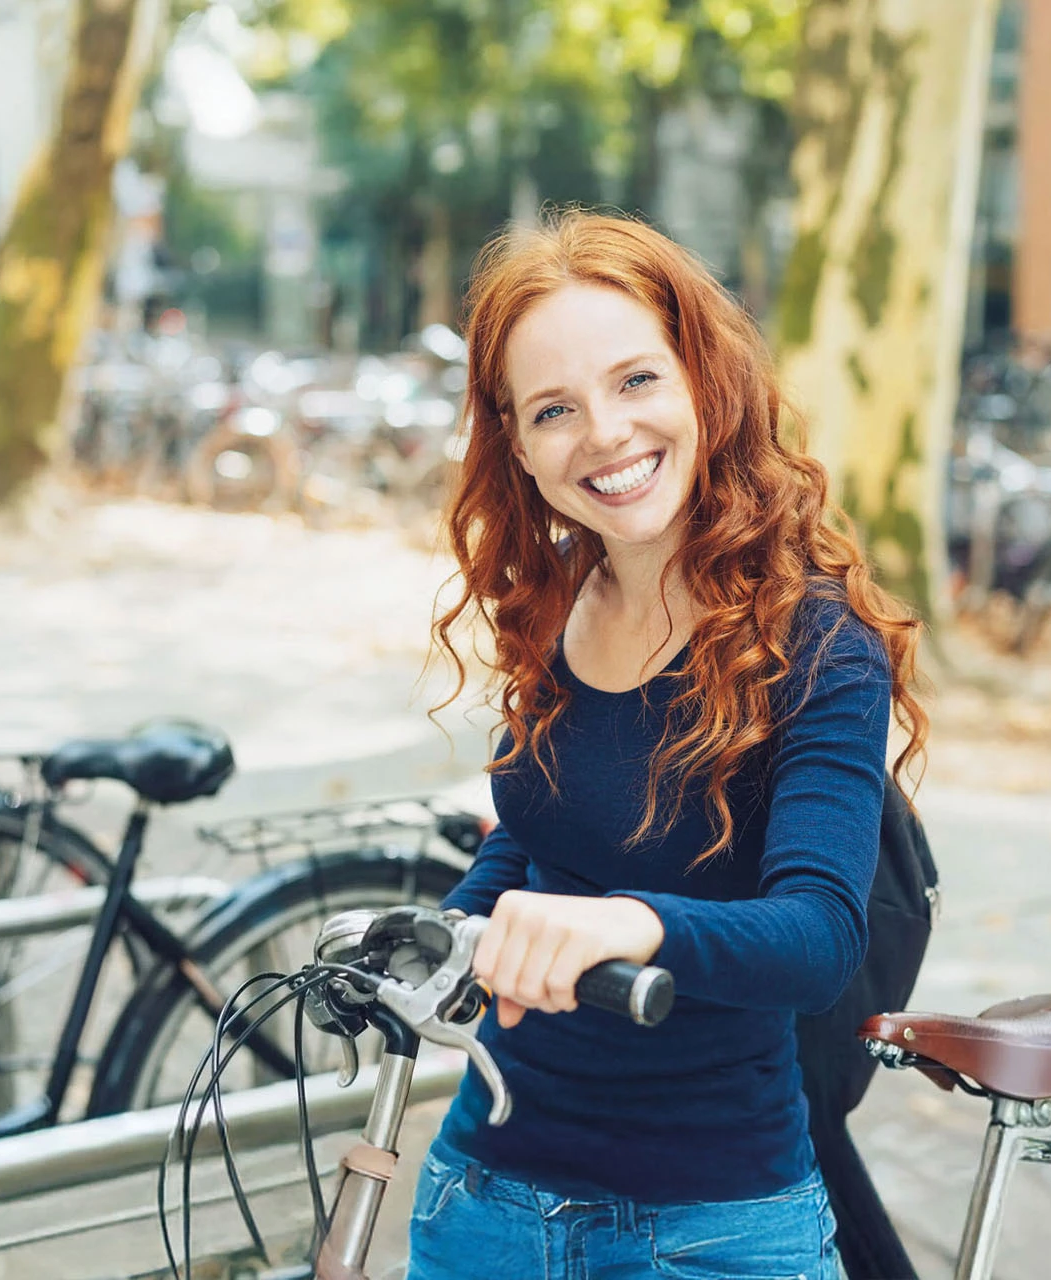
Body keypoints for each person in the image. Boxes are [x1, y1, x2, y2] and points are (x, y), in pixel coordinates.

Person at [410, 210, 927, 1279]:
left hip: (714, 1220)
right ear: (515, 440)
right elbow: (537, 845)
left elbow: (818, 933)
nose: (603, 432)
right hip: (488, 1191)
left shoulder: (817, 640)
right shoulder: (552, 599)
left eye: (636, 381)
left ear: (704, 380)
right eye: (554, 407)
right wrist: (454, 929)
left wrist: (624, 925)